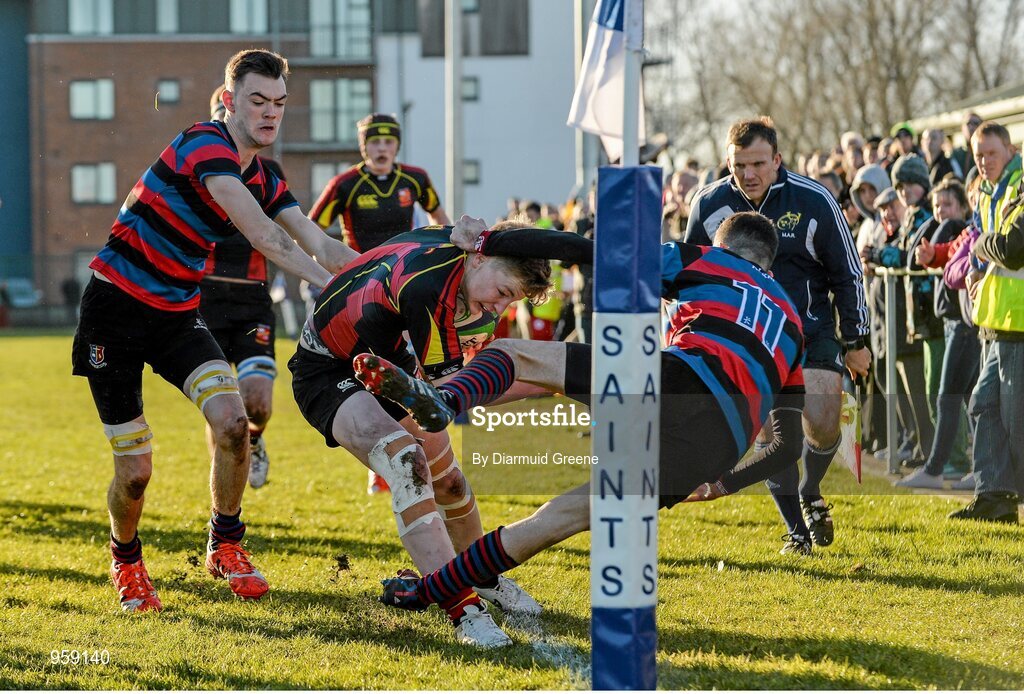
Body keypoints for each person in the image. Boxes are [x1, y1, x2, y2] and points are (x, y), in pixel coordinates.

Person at [356, 212, 807, 611]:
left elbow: (582, 250)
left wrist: (487, 242)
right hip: (719, 447)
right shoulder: (793, 321)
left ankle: (445, 400)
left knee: (514, 353)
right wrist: (720, 482)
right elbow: (788, 448)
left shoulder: (709, 260)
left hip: (682, 380)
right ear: (768, 260)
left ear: (723, 246)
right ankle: (427, 592)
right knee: (556, 520)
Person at [71, 49, 355, 613]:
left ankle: (225, 544)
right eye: (257, 100)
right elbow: (268, 240)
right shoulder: (205, 143)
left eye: (278, 103)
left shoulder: (263, 174)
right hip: (115, 313)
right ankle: (126, 559)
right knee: (136, 472)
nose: (270, 113)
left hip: (176, 313)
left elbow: (317, 241)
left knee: (233, 424)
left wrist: (391, 271)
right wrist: (333, 291)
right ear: (228, 101)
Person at [287, 217, 550, 647]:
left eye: (511, 302)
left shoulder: (458, 244)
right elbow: (455, 398)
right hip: (328, 370)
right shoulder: (433, 291)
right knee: (404, 460)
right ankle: (462, 607)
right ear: (479, 259)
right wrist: (552, 382)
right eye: (503, 293)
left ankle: (481, 576)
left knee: (449, 481)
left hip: (391, 367)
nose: (499, 309)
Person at [685, 117, 870, 555]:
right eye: (738, 166)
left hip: (810, 329)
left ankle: (811, 489)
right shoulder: (708, 204)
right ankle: (796, 532)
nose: (748, 174)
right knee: (770, 434)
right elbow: (688, 275)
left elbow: (846, 272)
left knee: (824, 424)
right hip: (747, 340)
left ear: (777, 160)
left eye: (757, 164)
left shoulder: (814, 200)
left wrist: (857, 339)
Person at [309, 112, 450, 495]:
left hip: (407, 284)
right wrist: (324, 273)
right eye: (374, 142)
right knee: (373, 364)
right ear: (363, 147)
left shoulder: (415, 179)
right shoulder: (346, 184)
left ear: (397, 147)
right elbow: (311, 227)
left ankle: (413, 451)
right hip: (361, 291)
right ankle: (383, 459)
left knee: (411, 361)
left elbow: (441, 220)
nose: (382, 148)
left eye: (388, 142)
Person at [199, 84, 283, 489]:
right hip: (204, 301)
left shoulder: (268, 175)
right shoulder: (200, 165)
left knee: (256, 403)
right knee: (222, 411)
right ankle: (223, 494)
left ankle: (257, 439)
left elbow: (291, 229)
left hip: (251, 301)